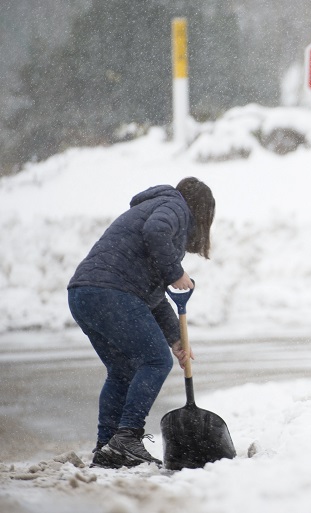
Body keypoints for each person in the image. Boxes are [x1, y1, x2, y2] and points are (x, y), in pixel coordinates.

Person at [67, 177, 215, 468]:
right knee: (156, 361)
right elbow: (156, 231)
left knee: (122, 370)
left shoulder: (152, 208)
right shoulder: (174, 205)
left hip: (83, 293)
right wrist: (176, 272)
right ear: (200, 211)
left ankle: (108, 446)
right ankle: (127, 438)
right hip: (112, 293)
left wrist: (176, 340)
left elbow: (154, 298)